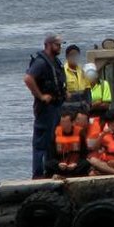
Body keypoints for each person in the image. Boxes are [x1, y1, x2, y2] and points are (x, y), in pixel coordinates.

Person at [23, 34, 66, 178]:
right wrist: (41, 96)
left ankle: (50, 170)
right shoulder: (41, 62)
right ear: (48, 44)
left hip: (57, 105)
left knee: (52, 141)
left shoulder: (56, 62)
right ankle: (39, 173)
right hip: (46, 108)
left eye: (60, 45)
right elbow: (28, 78)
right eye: (57, 45)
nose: (60, 47)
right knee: (42, 142)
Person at [48, 108, 92, 178]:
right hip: (61, 166)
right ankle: (58, 174)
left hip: (75, 165)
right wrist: (58, 164)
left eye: (66, 122)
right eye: (62, 122)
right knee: (48, 164)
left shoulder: (80, 133)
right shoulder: (55, 133)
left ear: (72, 123)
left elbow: (84, 154)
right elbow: (51, 155)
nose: (63, 124)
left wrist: (76, 164)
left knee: (86, 163)